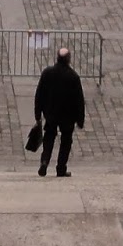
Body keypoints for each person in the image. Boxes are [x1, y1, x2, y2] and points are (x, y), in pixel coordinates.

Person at [32, 47, 85, 177]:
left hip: (51, 113)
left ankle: (44, 161)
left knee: (49, 138)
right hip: (67, 115)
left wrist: (38, 114)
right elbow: (79, 100)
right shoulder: (73, 76)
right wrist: (80, 120)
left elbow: (39, 94)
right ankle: (61, 168)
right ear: (68, 59)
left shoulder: (47, 73)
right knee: (66, 141)